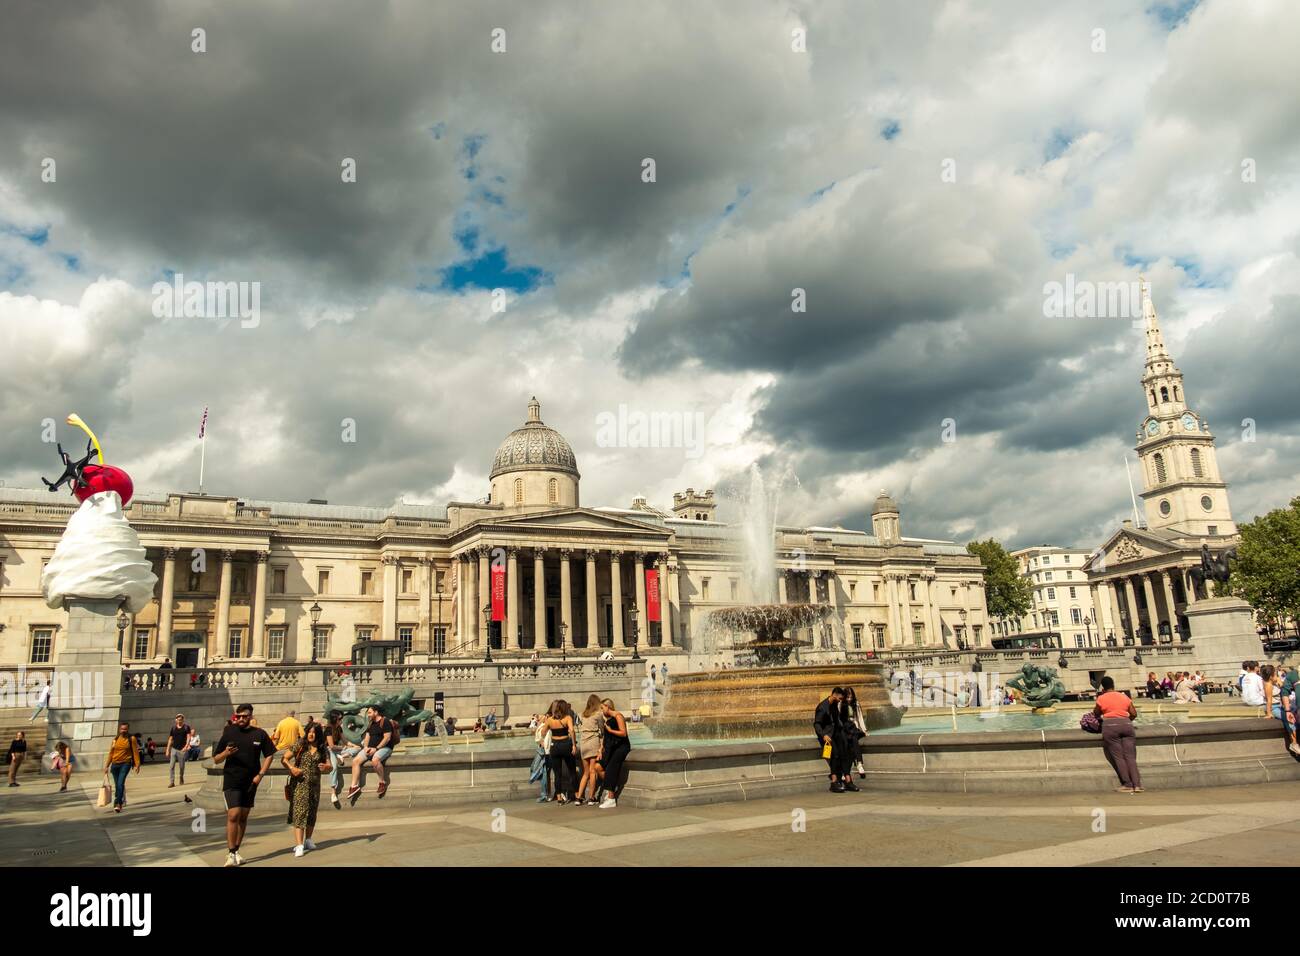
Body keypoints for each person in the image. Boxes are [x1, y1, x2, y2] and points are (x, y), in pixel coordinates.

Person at [212, 704, 276, 867]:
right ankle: (230, 853)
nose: (240, 719)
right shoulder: (229, 732)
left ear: (250, 716)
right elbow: (216, 759)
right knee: (233, 814)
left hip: (251, 781)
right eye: (238, 716)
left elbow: (270, 754)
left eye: (244, 716)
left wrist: (260, 774)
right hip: (232, 779)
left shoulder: (259, 734)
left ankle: (236, 850)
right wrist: (226, 753)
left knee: (243, 816)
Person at [283, 722, 330, 857]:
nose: (311, 734)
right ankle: (299, 845)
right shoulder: (300, 745)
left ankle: (308, 839)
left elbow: (330, 765)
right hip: (299, 785)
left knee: (312, 812)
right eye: (309, 731)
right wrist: (292, 768)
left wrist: (327, 767)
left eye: (314, 732)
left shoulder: (322, 748)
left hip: (315, 786)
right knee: (300, 812)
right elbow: (284, 758)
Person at [1092, 676, 1142, 793]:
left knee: (1119, 757)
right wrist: (1126, 720)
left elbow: (1096, 713)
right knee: (1130, 757)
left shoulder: (1101, 698)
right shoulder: (1124, 697)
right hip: (1127, 724)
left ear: (1103, 687)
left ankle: (1127, 784)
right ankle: (1137, 785)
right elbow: (1134, 713)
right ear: (1114, 685)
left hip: (1110, 726)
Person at [346, 706, 395, 804]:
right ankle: (354, 786)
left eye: (369, 712)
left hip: (384, 748)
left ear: (376, 712)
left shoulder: (385, 722)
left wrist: (376, 749)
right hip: (370, 748)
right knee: (355, 761)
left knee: (375, 760)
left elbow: (387, 738)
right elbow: (367, 736)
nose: (368, 715)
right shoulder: (371, 723)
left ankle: (382, 782)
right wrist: (365, 747)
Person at [814, 688, 856, 793]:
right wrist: (823, 735)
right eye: (840, 698)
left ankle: (848, 780)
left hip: (837, 732)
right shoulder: (822, 707)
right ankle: (834, 782)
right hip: (828, 735)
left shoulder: (834, 704)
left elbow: (837, 720)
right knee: (835, 754)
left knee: (846, 752)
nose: (840, 701)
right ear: (834, 695)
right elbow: (817, 724)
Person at [596, 698, 631, 809]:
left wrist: (610, 730)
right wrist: (601, 748)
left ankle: (611, 798)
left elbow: (623, 733)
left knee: (611, 769)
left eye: (602, 708)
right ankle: (611, 785)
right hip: (612, 747)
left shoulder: (618, 716)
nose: (602, 710)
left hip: (621, 747)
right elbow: (606, 737)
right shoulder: (609, 718)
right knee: (598, 767)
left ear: (608, 706)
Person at [541, 700, 577, 804]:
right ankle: (577, 796)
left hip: (555, 746)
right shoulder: (567, 718)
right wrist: (574, 745)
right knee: (572, 771)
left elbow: (543, 731)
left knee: (557, 774)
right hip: (565, 744)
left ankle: (559, 798)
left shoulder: (550, 720)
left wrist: (543, 741)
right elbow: (572, 731)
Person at [103, 722, 142, 812]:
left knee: (120, 783)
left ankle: (118, 803)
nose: (123, 731)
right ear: (119, 729)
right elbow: (111, 753)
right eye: (122, 729)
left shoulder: (131, 739)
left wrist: (137, 764)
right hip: (115, 765)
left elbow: (135, 752)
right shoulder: (115, 739)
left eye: (125, 729)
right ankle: (119, 799)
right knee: (117, 785)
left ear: (128, 729)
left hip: (125, 764)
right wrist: (107, 765)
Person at [575, 695, 605, 806]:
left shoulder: (583, 714)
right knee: (593, 772)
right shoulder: (598, 715)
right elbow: (602, 729)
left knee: (585, 773)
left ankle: (578, 798)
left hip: (583, 744)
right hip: (593, 742)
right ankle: (591, 797)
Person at [842, 687, 869, 779]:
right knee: (852, 740)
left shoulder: (856, 704)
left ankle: (846, 771)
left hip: (855, 728)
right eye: (847, 697)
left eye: (851, 697)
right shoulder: (841, 705)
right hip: (846, 729)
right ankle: (859, 763)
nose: (849, 699)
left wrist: (864, 730)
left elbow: (860, 717)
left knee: (853, 737)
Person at [323, 711, 348, 809]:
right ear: (335, 719)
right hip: (329, 750)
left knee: (356, 750)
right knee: (333, 767)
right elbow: (331, 746)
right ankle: (333, 792)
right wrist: (343, 748)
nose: (341, 720)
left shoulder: (339, 728)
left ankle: (342, 756)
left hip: (338, 749)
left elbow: (345, 741)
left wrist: (355, 746)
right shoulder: (328, 729)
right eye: (340, 718)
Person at [165, 714, 193, 787]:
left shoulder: (186, 727)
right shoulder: (173, 728)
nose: (179, 721)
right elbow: (170, 739)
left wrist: (186, 746)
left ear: (183, 720)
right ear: (176, 720)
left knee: (181, 767)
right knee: (171, 766)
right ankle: (172, 782)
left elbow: (188, 737)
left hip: (182, 750)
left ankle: (181, 777)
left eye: (181, 719)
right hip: (174, 749)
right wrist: (168, 749)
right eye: (178, 719)